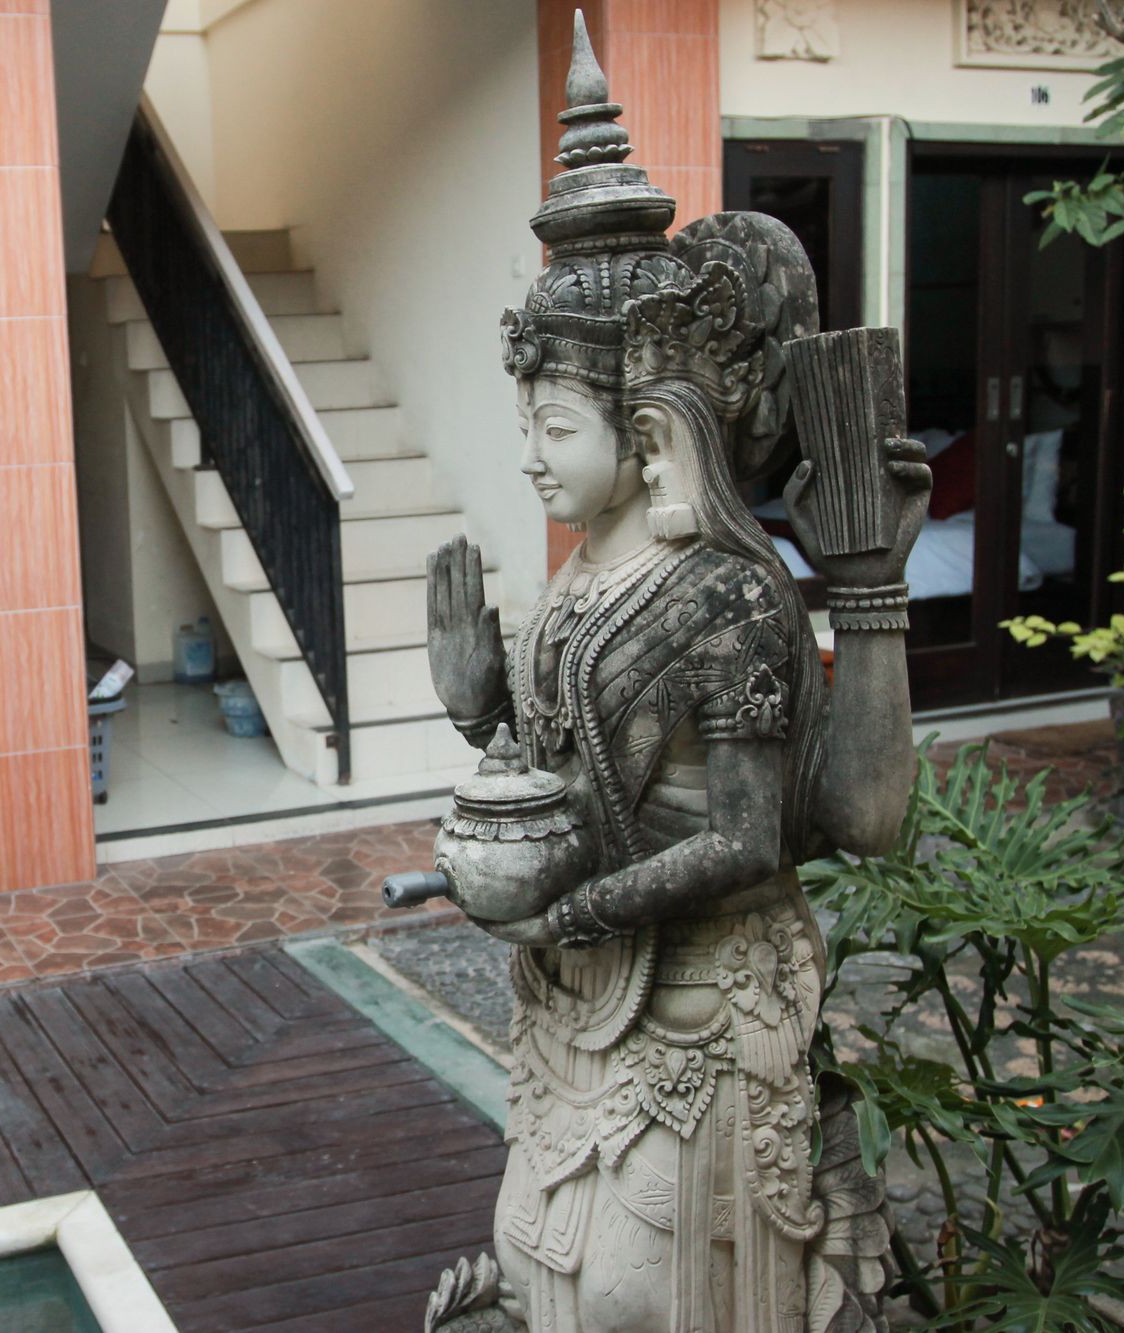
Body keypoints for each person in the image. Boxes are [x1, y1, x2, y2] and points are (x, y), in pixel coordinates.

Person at [421, 15, 926, 1333]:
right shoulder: (583, 575)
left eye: (553, 424)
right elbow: (567, 767)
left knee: (641, 1293)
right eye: (527, 421)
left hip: (699, 1003)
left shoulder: (727, 592)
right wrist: (480, 706)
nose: (530, 454)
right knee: (542, 1259)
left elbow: (751, 836)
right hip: (583, 1005)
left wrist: (573, 911)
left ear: (645, 430)